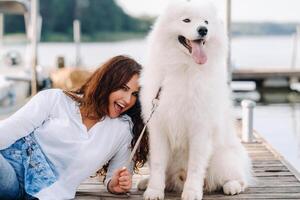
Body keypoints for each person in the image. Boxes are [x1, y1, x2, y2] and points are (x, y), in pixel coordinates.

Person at [0, 55, 148, 200]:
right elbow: (9, 130)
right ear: (107, 83)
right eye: (123, 88)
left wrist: (115, 184)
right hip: (11, 167)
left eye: (134, 94)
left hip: (47, 193)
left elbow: (116, 178)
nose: (128, 100)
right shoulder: (55, 99)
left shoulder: (124, 129)